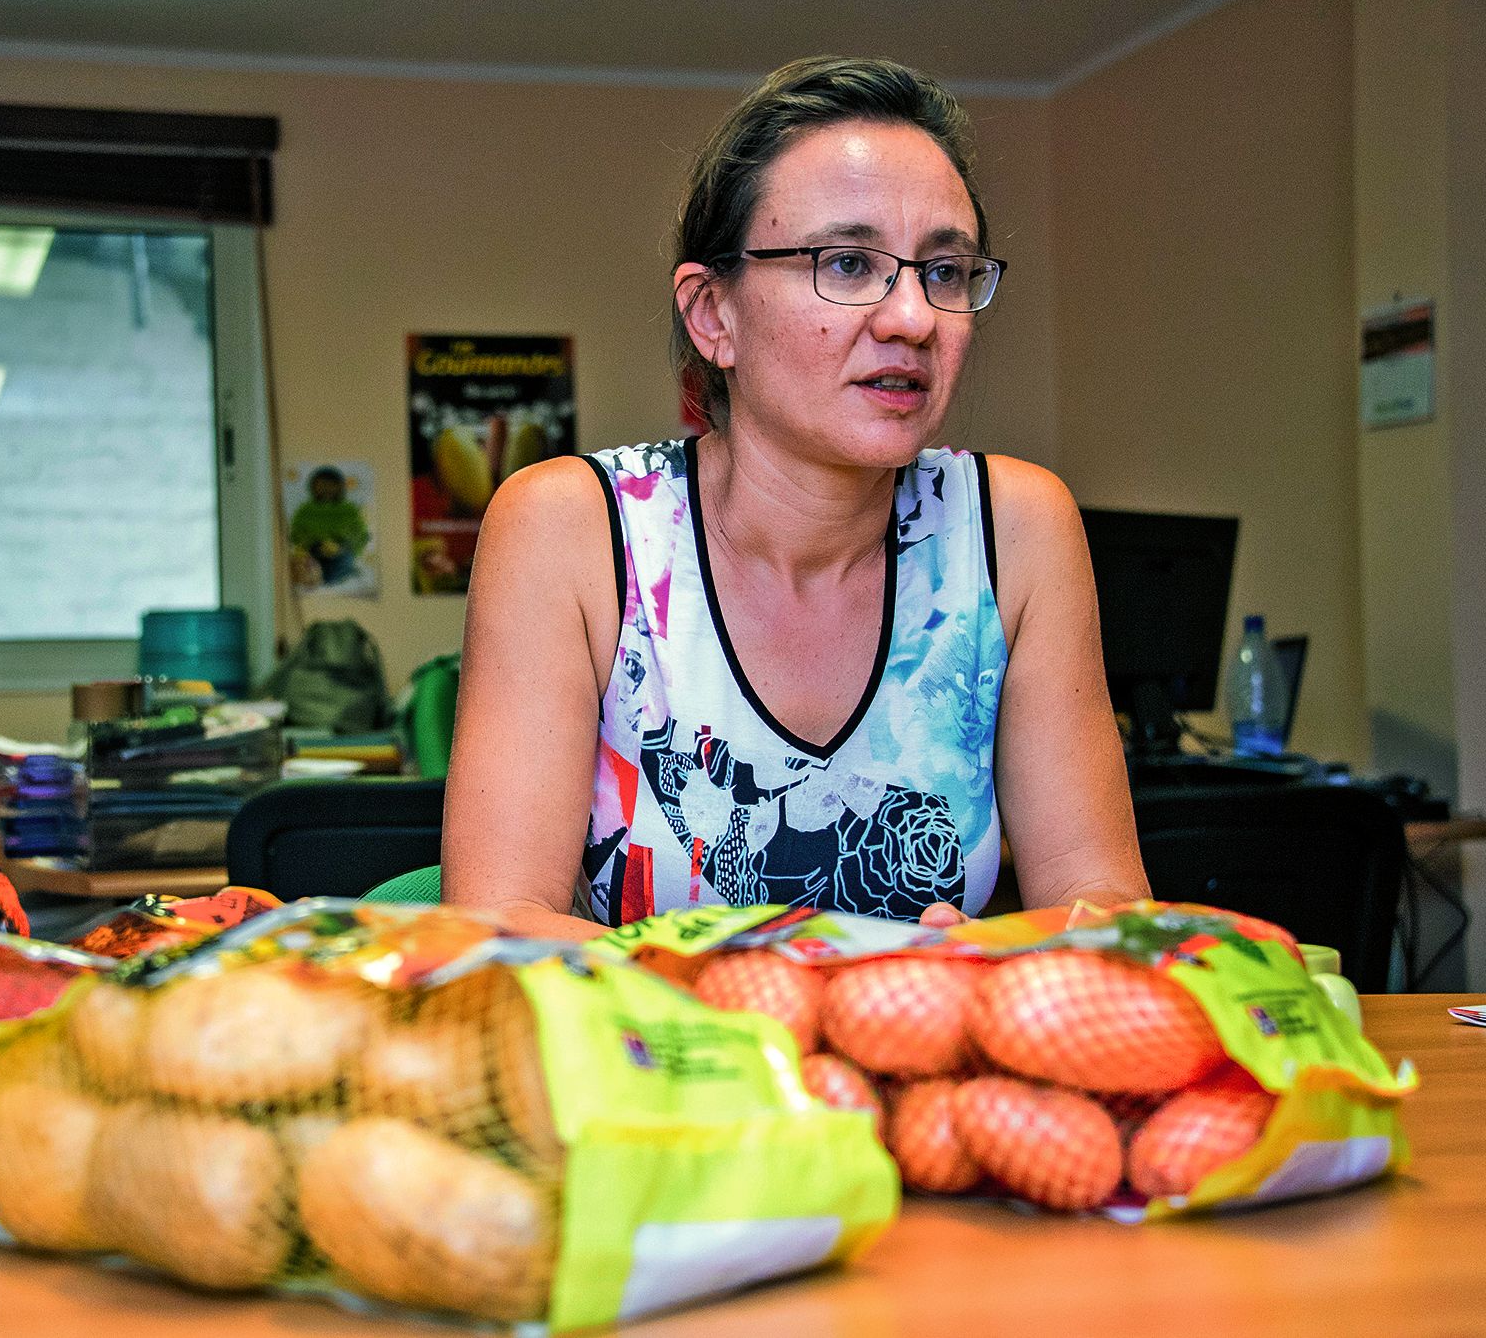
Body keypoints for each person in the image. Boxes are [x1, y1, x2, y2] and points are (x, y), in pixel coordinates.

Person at [443, 56, 1149, 941]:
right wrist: (798, 995)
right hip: (652, 1070)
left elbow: (1102, 905)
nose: (912, 318)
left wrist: (983, 964)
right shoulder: (571, 529)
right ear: (712, 315)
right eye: (848, 263)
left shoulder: (1014, 527)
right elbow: (500, 923)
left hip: (920, 1070)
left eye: (945, 271)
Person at [288, 466, 370, 586]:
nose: (326, 489)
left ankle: (337, 576)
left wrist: (341, 544)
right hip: (314, 552)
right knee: (309, 566)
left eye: (331, 485)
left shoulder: (349, 510)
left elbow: (360, 535)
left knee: (343, 562)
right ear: (313, 487)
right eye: (321, 486)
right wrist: (313, 543)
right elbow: (296, 534)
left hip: (342, 551)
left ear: (340, 487)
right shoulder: (305, 510)